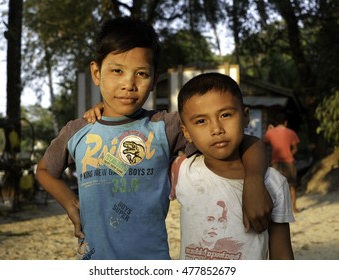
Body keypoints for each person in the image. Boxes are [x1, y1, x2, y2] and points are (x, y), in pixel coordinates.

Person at [37, 17, 272, 260]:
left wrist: (254, 181)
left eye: (141, 73)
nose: (128, 84)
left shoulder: (165, 126)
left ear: (153, 79)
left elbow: (245, 140)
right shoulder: (78, 131)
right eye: (117, 71)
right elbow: (44, 170)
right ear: (97, 73)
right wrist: (70, 203)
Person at [170, 72, 294, 259]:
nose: (216, 129)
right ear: (186, 132)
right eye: (201, 121)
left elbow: (282, 257)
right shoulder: (182, 172)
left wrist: (255, 181)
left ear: (245, 117)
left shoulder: (274, 183)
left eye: (225, 115)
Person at [263, 113, 300, 213]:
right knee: (292, 185)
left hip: (276, 162)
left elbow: (263, 144)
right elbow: (295, 149)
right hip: (289, 162)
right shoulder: (291, 132)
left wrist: (268, 131)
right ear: (285, 122)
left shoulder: (270, 133)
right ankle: (294, 208)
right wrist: (289, 153)